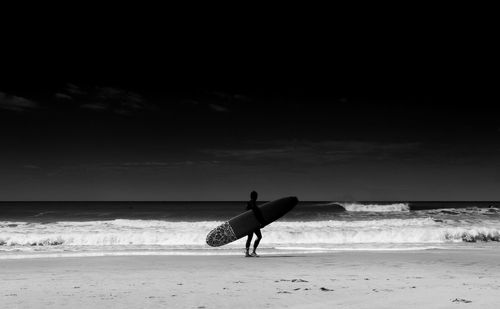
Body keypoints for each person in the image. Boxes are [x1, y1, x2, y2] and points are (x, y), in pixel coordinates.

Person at [245, 190, 265, 257]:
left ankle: (247, 252)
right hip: (254, 224)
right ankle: (253, 252)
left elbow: (246, 214)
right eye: (256, 196)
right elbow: (256, 214)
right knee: (259, 236)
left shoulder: (248, 204)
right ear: (256, 197)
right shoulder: (253, 204)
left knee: (249, 238)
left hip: (249, 223)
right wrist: (262, 222)